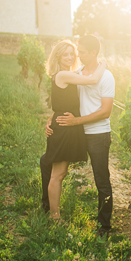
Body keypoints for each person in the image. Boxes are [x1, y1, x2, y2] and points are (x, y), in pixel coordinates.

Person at [55, 34, 115, 236]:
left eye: (81, 52)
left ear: (93, 53)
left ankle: (104, 227)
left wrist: (76, 121)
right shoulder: (78, 73)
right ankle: (50, 210)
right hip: (77, 133)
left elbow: (106, 112)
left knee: (101, 179)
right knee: (52, 165)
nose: (77, 55)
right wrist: (50, 120)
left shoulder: (106, 76)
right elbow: (63, 100)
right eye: (77, 51)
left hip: (98, 134)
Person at [41, 39, 107, 222]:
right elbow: (93, 79)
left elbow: (60, 101)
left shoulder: (68, 74)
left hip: (66, 124)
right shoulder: (62, 74)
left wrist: (51, 118)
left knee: (61, 173)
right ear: (58, 57)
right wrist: (103, 64)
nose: (70, 57)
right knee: (58, 174)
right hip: (64, 126)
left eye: (73, 54)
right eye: (65, 54)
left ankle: (52, 212)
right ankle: (54, 217)